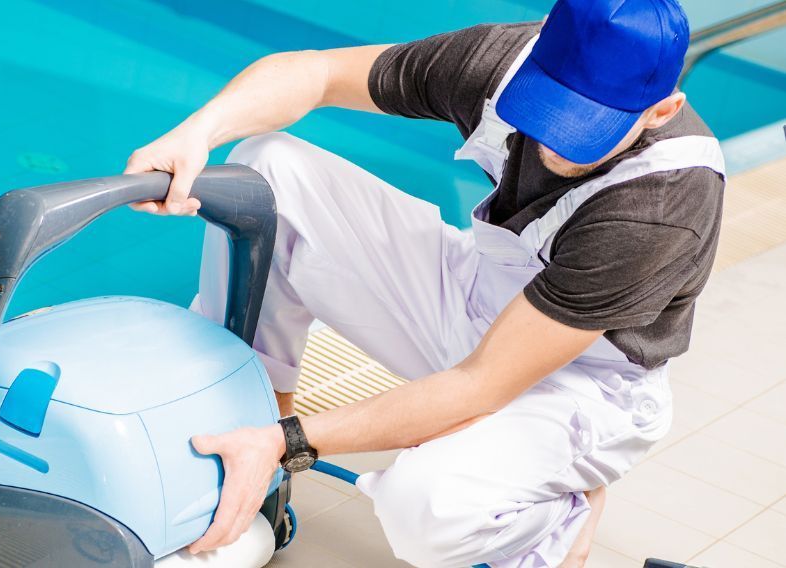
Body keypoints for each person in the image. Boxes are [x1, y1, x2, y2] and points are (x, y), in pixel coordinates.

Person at [123, 0, 725, 566]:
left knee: (423, 508)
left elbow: (481, 384)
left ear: (661, 111)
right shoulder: (499, 62)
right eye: (544, 109)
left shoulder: (659, 207)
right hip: (476, 292)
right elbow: (316, 73)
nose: (551, 142)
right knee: (267, 168)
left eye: (583, 128)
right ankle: (246, 431)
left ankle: (557, 519)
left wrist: (291, 440)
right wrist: (197, 133)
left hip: (576, 381)